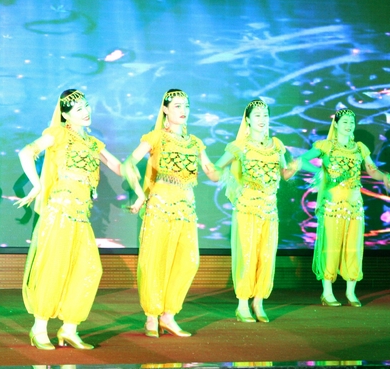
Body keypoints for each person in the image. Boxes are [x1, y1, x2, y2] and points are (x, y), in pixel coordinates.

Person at [16, 89, 125, 350]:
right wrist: (37, 185)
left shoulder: (93, 143)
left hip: (81, 216)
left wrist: (144, 171)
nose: (86, 112)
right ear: (65, 115)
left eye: (86, 106)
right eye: (78, 109)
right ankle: (39, 328)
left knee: (89, 269)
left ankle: (69, 329)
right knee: (53, 267)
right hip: (60, 212)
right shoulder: (58, 133)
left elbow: (119, 167)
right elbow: (26, 152)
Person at [125, 89, 219, 338]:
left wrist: (223, 170)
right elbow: (129, 163)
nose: (183, 110)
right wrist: (139, 194)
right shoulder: (156, 137)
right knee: (155, 259)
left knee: (188, 260)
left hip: (186, 208)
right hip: (160, 206)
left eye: (186, 105)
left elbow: (212, 172)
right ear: (165, 109)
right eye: (177, 105)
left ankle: (168, 315)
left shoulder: (195, 142)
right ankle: (151, 316)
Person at [214, 99, 299, 323]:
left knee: (266, 255)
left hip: (270, 209)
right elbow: (218, 167)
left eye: (265, 115)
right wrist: (213, 170)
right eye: (258, 115)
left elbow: (284, 174)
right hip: (247, 208)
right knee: (247, 254)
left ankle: (259, 302)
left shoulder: (277, 145)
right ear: (248, 120)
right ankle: (242, 304)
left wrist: (295, 167)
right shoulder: (239, 145)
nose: (262, 119)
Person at [298, 108, 389, 307]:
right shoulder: (326, 146)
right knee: (330, 247)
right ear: (336, 124)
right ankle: (327, 292)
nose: (349, 125)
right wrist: (320, 172)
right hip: (332, 205)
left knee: (353, 247)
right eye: (345, 122)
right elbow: (302, 160)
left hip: (354, 205)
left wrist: (384, 176)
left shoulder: (360, 148)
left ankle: (350, 292)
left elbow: (372, 170)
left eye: (351, 122)